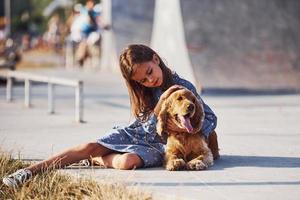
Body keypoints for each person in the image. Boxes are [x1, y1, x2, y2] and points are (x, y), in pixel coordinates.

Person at [2, 44, 219, 187]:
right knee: (90, 146)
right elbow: (144, 126)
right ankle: (28, 172)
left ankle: (96, 160)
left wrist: (192, 127)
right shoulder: (146, 93)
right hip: (136, 133)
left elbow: (210, 117)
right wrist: (161, 104)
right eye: (142, 80)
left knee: (127, 162)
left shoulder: (184, 87)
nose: (149, 81)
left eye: (150, 73)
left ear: (156, 59)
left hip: (158, 146)